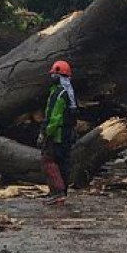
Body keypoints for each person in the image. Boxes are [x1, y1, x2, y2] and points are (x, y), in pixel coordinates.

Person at [37, 60, 78, 205]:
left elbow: (54, 117)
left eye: (54, 74)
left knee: (48, 160)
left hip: (58, 134)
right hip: (68, 133)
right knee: (63, 162)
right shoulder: (69, 92)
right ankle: (60, 192)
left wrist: (46, 133)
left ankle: (58, 192)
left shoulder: (59, 94)